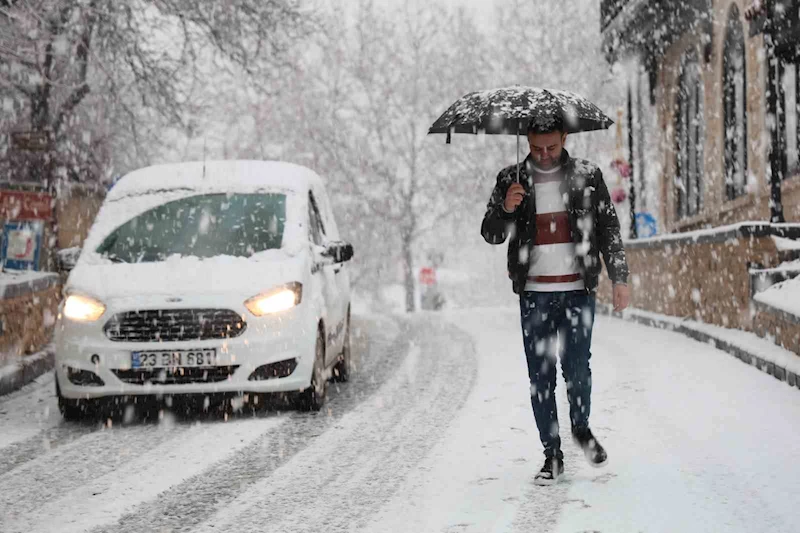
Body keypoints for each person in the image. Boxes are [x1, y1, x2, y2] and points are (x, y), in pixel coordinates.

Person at [481, 114, 630, 486]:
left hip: (578, 291)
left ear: (565, 137)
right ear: (526, 141)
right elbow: (491, 233)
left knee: (578, 371)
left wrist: (619, 277)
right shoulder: (509, 180)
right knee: (540, 377)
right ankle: (552, 454)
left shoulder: (587, 175)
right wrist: (506, 209)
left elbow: (608, 226)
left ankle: (580, 427)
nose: (544, 155)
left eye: (551, 146)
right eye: (535, 148)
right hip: (534, 294)